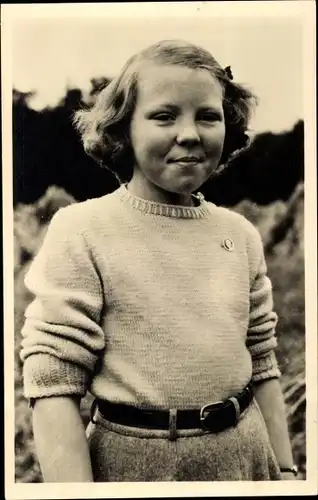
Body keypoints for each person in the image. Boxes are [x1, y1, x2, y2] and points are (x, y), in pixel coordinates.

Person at [20, 39, 297, 482]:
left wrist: (284, 469)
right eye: (164, 116)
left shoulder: (239, 234)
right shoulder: (83, 228)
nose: (189, 133)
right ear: (123, 128)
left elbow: (262, 361)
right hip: (134, 466)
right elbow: (53, 380)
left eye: (208, 115)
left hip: (248, 460)